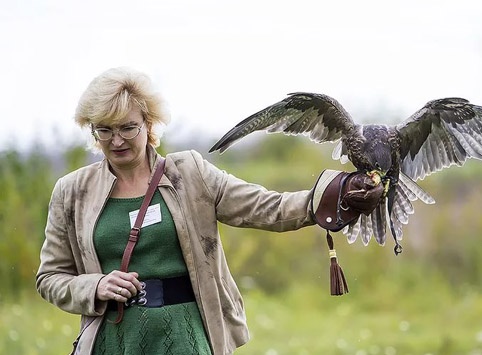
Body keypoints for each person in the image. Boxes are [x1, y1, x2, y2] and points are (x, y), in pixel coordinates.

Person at [36, 67, 383, 355]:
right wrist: (94, 286)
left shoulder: (189, 173)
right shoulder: (72, 192)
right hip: (113, 341)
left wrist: (330, 196)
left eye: (128, 127)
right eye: (104, 130)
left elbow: (264, 207)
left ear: (149, 124)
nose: (116, 140)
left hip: (188, 337)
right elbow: (50, 278)